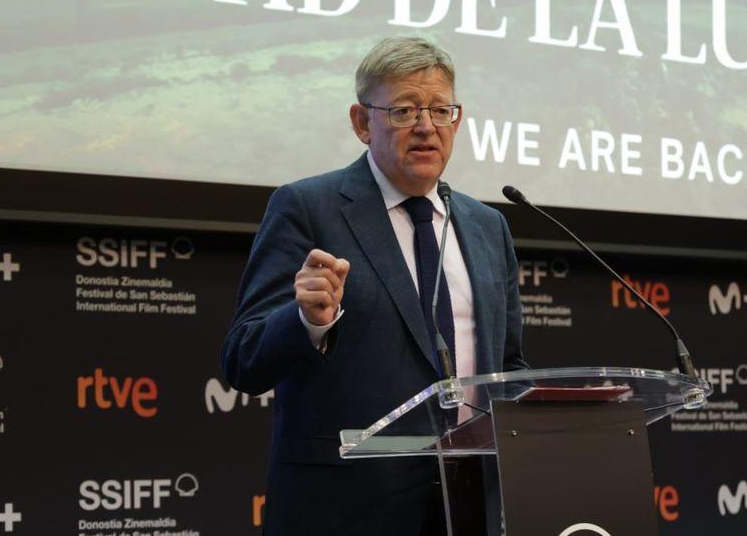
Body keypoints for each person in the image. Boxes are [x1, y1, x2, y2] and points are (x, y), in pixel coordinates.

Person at [221, 36, 528, 536]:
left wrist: (558, 407)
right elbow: (242, 358)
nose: (427, 126)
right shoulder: (307, 208)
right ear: (363, 122)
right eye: (405, 110)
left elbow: (507, 365)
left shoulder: (487, 225)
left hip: (470, 508)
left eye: (439, 110)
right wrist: (307, 323)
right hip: (345, 510)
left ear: (457, 118)